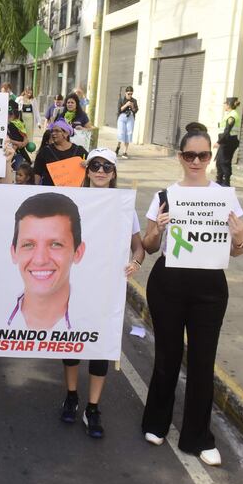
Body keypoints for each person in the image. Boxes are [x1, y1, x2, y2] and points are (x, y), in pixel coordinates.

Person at [141, 123, 243, 467]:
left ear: (210, 156)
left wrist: (241, 236)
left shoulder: (225, 197)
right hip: (168, 283)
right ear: (180, 157)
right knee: (168, 356)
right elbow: (149, 246)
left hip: (210, 289)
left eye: (203, 155)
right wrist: (156, 229)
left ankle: (198, 436)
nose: (197, 161)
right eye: (190, 155)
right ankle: (157, 422)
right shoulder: (165, 196)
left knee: (202, 362)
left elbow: (235, 252)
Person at [58, 147, 146, 437]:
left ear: (114, 172)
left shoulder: (124, 207)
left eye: (107, 167)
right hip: (76, 284)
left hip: (106, 288)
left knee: (100, 347)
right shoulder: (75, 201)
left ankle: (92, 408)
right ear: (87, 169)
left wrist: (135, 262)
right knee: (71, 344)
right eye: (95, 165)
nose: (100, 171)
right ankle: (71, 397)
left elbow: (139, 246)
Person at [8, 193, 85, 331]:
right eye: (28, 245)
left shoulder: (96, 325)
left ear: (78, 252)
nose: (40, 260)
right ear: (14, 252)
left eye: (55, 244)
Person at [33, 120, 88, 186]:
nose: (53, 133)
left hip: (73, 192)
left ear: (66, 133)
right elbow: (37, 173)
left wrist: (87, 164)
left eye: (57, 131)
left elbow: (90, 170)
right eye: (52, 131)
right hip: (50, 192)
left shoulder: (79, 151)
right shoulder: (45, 151)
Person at [215, 97, 241, 187]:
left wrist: (218, 142)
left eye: (225, 104)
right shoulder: (230, 114)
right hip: (226, 141)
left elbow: (227, 131)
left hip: (229, 141)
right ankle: (219, 180)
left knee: (224, 162)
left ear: (229, 105)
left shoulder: (232, 116)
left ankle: (226, 182)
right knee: (219, 161)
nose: (224, 105)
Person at [116, 86, 139, 159]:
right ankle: (118, 147)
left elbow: (136, 111)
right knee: (121, 133)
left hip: (130, 118)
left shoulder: (134, 101)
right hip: (122, 117)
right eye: (128, 94)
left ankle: (125, 152)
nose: (130, 95)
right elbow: (119, 110)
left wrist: (132, 107)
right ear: (125, 93)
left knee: (129, 133)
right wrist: (126, 105)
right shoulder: (121, 99)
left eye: (131, 94)